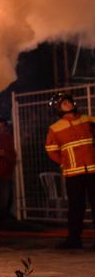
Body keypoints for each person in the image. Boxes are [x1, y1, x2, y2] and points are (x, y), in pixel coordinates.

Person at [45, 93, 95, 249]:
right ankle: (74, 240)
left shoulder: (88, 120)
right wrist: (64, 163)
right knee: (75, 207)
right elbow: (51, 150)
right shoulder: (55, 128)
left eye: (68, 102)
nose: (67, 105)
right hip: (73, 173)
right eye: (63, 103)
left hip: (94, 170)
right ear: (58, 108)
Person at [0, 116, 17, 227]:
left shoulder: (9, 139)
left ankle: (1, 222)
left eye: (1, 126)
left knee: (3, 201)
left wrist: (3, 154)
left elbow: (12, 156)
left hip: (4, 175)